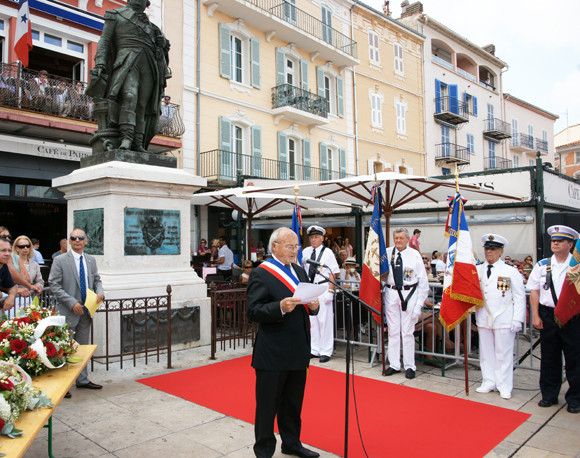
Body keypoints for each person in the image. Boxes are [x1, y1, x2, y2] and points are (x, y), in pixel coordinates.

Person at [247, 227, 320, 458]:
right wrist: (278, 307)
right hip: (273, 351)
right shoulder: (261, 273)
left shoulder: (299, 270)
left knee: (292, 404)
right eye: (290, 247)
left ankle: (291, 443)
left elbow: (307, 303)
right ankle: (264, 450)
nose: (294, 251)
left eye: (296, 246)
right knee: (267, 406)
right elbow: (253, 310)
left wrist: (314, 307)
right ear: (275, 247)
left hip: (298, 348)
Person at [90, 0, 171, 152]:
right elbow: (105, 41)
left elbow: (161, 51)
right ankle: (126, 139)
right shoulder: (115, 15)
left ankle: (138, 143)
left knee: (142, 105)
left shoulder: (152, 27)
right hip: (126, 60)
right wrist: (100, 63)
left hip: (148, 64)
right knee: (129, 96)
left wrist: (162, 44)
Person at [528, 225, 580, 414]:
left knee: (574, 358)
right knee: (549, 357)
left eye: (560, 241)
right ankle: (549, 395)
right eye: (553, 240)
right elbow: (534, 291)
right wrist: (535, 315)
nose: (555, 243)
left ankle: (575, 398)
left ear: (571, 244)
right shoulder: (542, 265)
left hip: (572, 317)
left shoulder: (577, 265)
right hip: (548, 314)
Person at [49, 229, 105, 397]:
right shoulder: (59, 260)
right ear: (69, 241)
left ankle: (82, 379)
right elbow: (54, 284)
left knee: (82, 348)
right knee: (63, 349)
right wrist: (71, 302)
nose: (77, 240)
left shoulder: (90, 260)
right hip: (67, 311)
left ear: (86, 241)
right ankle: (63, 384)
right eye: (73, 238)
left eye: (80, 238)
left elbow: (96, 280)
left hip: (86, 311)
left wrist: (100, 292)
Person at [475, 234, 525, 400]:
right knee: (486, 352)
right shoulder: (478, 269)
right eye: (487, 248)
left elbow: (519, 297)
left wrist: (518, 319)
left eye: (493, 249)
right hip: (484, 315)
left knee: (503, 353)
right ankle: (488, 381)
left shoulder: (510, 271)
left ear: (501, 251)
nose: (489, 251)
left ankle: (504, 385)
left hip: (504, 317)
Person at [383, 228, 429, 379]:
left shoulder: (415, 255)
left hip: (409, 295)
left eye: (401, 238)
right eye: (396, 238)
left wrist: (419, 306)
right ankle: (394, 364)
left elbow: (423, 283)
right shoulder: (388, 253)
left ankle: (410, 365)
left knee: (407, 332)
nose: (398, 241)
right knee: (393, 331)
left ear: (408, 239)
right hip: (391, 294)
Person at [302, 225, 340, 363]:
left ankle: (325, 350)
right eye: (311, 237)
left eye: (316, 237)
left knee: (324, 320)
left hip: (323, 287)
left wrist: (330, 291)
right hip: (310, 288)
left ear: (322, 238)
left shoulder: (328, 252)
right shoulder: (305, 251)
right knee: (312, 320)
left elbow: (333, 273)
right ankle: (314, 349)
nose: (313, 239)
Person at [0, 227, 42, 296]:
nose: (7, 239)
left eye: (9, 237)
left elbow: (10, 279)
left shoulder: (7, 262)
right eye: (4, 237)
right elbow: (11, 272)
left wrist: (29, 286)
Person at [11, 236, 44, 307]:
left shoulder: (35, 264)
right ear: (16, 248)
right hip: (15, 298)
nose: (25, 248)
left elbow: (39, 281)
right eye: (22, 246)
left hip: (31, 297)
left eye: (28, 246)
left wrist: (38, 288)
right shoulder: (11, 263)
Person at [0, 236, 17, 313]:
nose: (8, 254)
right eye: (3, 250)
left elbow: (12, 287)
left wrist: (11, 296)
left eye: (9, 251)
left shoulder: (4, 266)